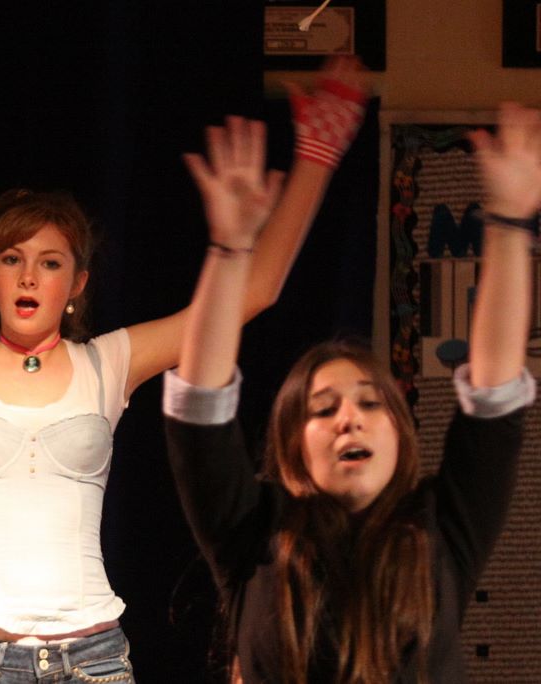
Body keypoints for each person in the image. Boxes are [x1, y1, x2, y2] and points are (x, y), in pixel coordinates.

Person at [0, 60, 366, 682]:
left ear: (77, 284)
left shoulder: (108, 362)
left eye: (50, 262)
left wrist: (318, 154)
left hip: (92, 659)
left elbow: (254, 290)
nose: (29, 276)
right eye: (12, 258)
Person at [163, 102, 541, 683]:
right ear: (292, 446)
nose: (350, 418)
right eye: (323, 408)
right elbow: (198, 406)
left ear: (401, 434)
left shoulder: (443, 530)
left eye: (370, 402)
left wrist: (511, 223)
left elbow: (495, 395)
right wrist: (231, 247)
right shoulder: (253, 533)